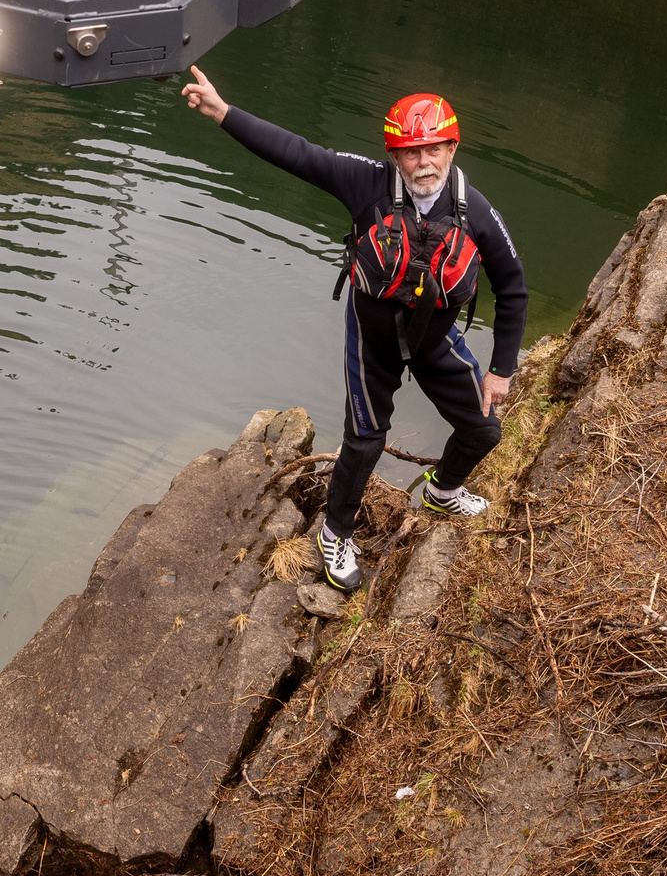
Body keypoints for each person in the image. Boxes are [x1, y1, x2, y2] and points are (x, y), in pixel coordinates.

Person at [181, 68, 527, 592]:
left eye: (434, 148)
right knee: (365, 440)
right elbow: (296, 152)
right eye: (411, 152)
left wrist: (502, 368)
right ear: (395, 156)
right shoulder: (364, 182)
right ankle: (335, 531)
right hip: (374, 337)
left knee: (483, 430)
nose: (424, 162)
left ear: (452, 148)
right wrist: (223, 112)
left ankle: (442, 489)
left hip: (434, 338)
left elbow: (513, 288)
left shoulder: (476, 213)